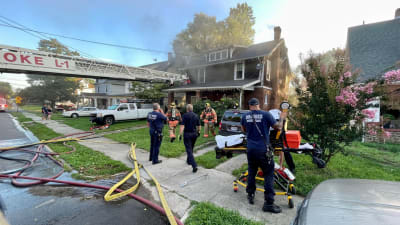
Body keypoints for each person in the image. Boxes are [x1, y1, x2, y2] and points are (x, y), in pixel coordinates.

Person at [241, 98, 285, 213]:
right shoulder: (266, 114)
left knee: (252, 171)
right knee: (269, 174)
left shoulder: (245, 116)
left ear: (250, 106)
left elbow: (243, 129)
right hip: (263, 150)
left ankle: (250, 194)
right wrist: (282, 118)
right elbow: (278, 127)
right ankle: (269, 203)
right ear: (258, 105)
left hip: (250, 149)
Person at [179, 104, 201, 173]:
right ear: (192, 109)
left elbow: (182, 126)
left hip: (187, 134)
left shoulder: (185, 115)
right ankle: (189, 161)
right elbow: (199, 125)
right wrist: (199, 132)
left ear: (187, 109)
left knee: (189, 150)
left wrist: (180, 134)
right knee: (191, 148)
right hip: (194, 134)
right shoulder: (196, 115)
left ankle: (194, 165)